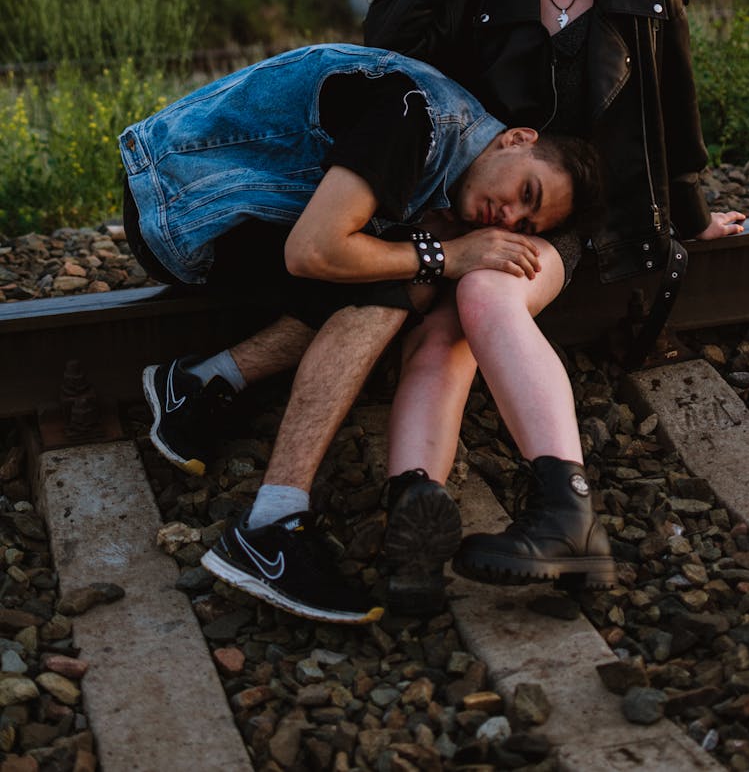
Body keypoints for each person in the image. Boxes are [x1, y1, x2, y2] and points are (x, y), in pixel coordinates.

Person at [364, 0, 746, 613]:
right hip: (493, 194)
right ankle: (413, 525)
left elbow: (675, 117)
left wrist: (692, 217)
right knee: (436, 333)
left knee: (482, 292)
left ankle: (568, 519)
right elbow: (382, 53)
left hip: (584, 217)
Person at [120, 41, 602, 623]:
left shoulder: (447, 151)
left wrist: (434, 254)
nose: (509, 218)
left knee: (408, 266)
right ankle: (270, 526)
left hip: (222, 203)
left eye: (527, 224)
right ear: (517, 138)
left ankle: (201, 383)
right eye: (526, 193)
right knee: (396, 281)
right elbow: (313, 251)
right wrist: (445, 256)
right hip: (179, 207)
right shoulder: (418, 116)